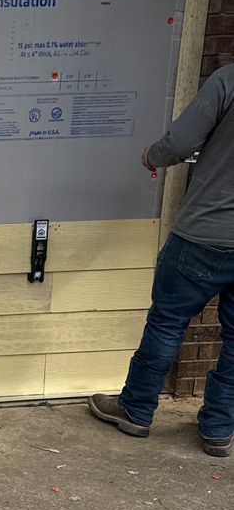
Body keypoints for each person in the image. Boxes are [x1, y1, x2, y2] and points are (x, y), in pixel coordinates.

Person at [90, 61, 234, 458]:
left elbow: (181, 143)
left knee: (167, 322)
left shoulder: (228, 80)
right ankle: (220, 427)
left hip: (206, 233)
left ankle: (136, 410)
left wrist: (154, 155)